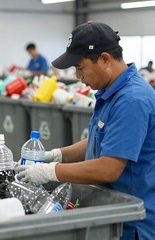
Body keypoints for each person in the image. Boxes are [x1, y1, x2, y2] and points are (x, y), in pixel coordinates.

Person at [16, 21, 155, 240]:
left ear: (105, 60)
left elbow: (108, 169)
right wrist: (56, 154)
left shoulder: (131, 100)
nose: (78, 76)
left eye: (80, 68)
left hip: (132, 224)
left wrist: (51, 171)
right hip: (113, 211)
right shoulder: (111, 91)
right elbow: (100, 141)